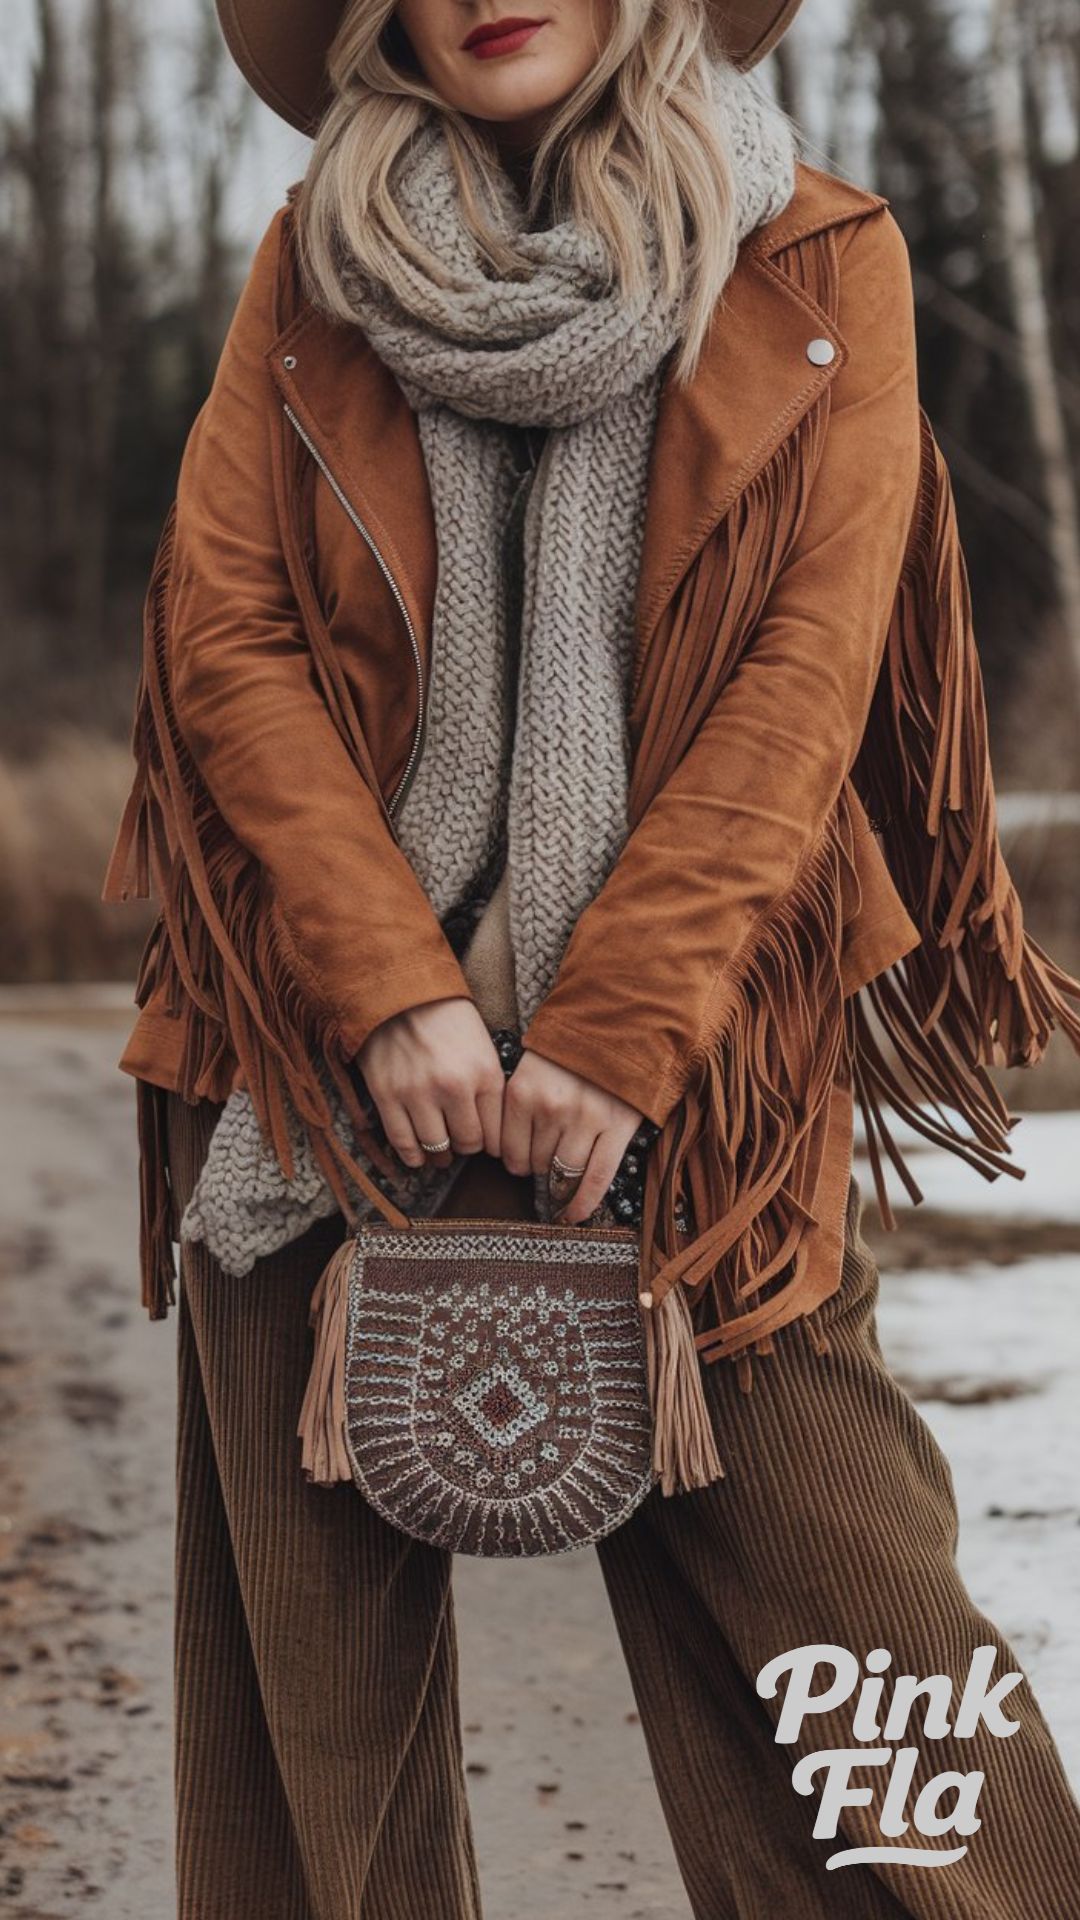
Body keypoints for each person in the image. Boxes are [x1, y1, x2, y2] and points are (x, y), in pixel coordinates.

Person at [101, 0, 1080, 1912]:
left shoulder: (816, 259)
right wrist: (389, 984)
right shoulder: (310, 260)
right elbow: (227, 641)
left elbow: (807, 679)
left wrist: (619, 1035)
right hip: (323, 1076)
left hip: (694, 1102)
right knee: (316, 1805)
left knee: (880, 1702)